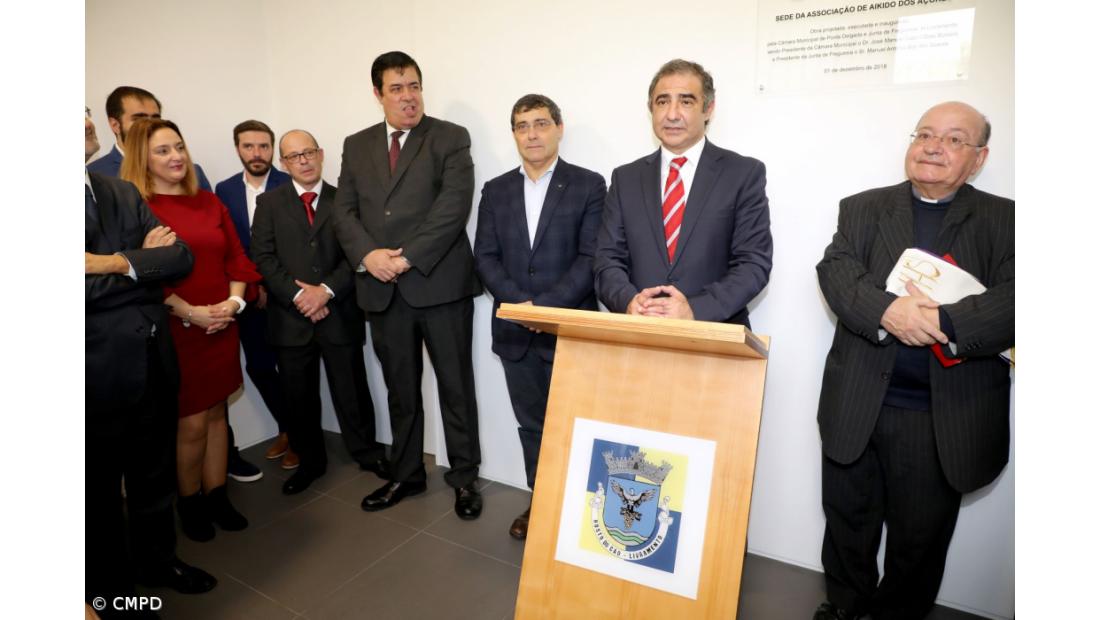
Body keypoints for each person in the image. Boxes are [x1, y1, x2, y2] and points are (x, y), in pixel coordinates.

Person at [813, 101, 1014, 620]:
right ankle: (844, 608)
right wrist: (889, 311)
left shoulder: (1007, 220)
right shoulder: (862, 208)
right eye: (925, 134)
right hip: (858, 401)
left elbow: (1020, 299)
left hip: (940, 417)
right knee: (846, 522)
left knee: (919, 541)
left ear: (979, 157)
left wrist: (943, 322)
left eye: (953, 139)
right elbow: (836, 271)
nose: (933, 147)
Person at [333, 51, 483, 519]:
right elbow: (344, 211)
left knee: (456, 387)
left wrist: (404, 258)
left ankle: (464, 478)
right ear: (378, 94)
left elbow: (453, 208)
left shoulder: (450, 137)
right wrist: (368, 256)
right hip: (382, 291)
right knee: (400, 391)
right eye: (396, 88)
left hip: (439, 285)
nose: (408, 97)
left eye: (414, 86)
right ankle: (406, 474)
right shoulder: (356, 145)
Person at [85, 107, 216, 609]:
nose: (88, 123)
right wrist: (142, 266)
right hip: (94, 371)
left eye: (86, 114)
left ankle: (159, 562)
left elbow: (179, 258)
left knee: (153, 476)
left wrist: (113, 263)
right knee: (97, 495)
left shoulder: (119, 190)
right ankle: (111, 595)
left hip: (152, 358)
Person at [120, 118, 262, 543]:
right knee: (192, 423)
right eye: (163, 150)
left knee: (218, 414)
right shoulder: (138, 210)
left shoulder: (209, 202)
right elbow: (139, 274)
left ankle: (217, 495)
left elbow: (237, 259)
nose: (176, 156)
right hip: (178, 330)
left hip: (222, 322)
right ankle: (190, 502)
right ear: (143, 158)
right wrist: (190, 313)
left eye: (178, 146)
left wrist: (233, 305)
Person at [473, 94, 605, 539]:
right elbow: (485, 257)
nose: (532, 134)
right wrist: (520, 307)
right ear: (514, 134)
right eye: (522, 125)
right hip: (515, 333)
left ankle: (583, 513)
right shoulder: (495, 190)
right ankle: (542, 502)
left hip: (570, 329)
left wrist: (545, 309)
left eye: (541, 123)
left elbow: (591, 257)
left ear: (559, 129)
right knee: (532, 426)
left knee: (578, 426)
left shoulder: (589, 185)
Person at [251, 130, 391, 495]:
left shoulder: (345, 200)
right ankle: (310, 462)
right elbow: (262, 257)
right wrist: (301, 296)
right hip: (290, 318)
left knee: (352, 391)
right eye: (294, 156)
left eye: (309, 152)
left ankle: (367, 453)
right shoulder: (269, 203)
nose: (303, 161)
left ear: (321, 154)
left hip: (338, 312)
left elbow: (357, 253)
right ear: (283, 163)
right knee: (298, 398)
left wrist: (325, 292)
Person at [594, 59, 772, 326]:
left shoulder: (743, 174)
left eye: (686, 102)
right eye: (662, 102)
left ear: (708, 109)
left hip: (715, 336)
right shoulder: (625, 178)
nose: (672, 114)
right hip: (639, 335)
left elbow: (753, 263)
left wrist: (695, 310)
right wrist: (629, 302)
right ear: (651, 109)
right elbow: (607, 259)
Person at [215, 120, 296, 477]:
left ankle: (300, 436)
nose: (257, 153)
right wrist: (252, 286)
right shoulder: (225, 189)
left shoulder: (288, 183)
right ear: (238, 149)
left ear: (272, 149)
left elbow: (292, 245)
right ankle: (287, 428)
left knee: (291, 367)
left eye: (263, 146)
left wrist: (270, 285)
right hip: (246, 296)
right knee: (259, 367)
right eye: (248, 146)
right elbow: (231, 246)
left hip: (286, 293)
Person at [89, 86, 213, 191]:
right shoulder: (93, 175)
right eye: (139, 119)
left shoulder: (191, 172)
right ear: (115, 125)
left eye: (155, 118)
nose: (150, 125)